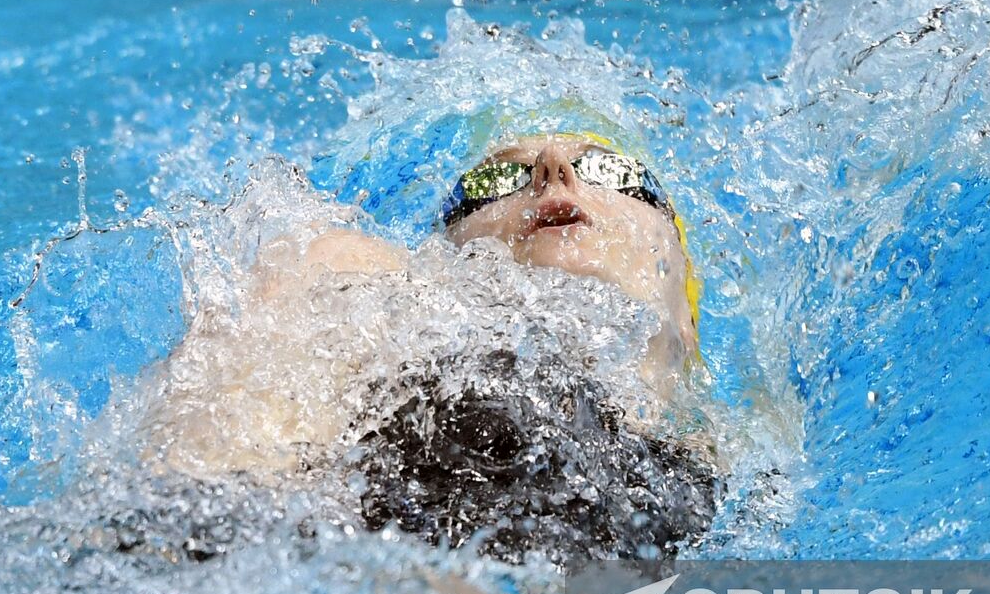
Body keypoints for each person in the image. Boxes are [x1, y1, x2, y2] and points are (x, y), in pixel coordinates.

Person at [145, 102, 723, 563]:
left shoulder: (732, 479)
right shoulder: (390, 322)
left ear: (686, 314)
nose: (553, 169)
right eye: (498, 177)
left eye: (611, 170)